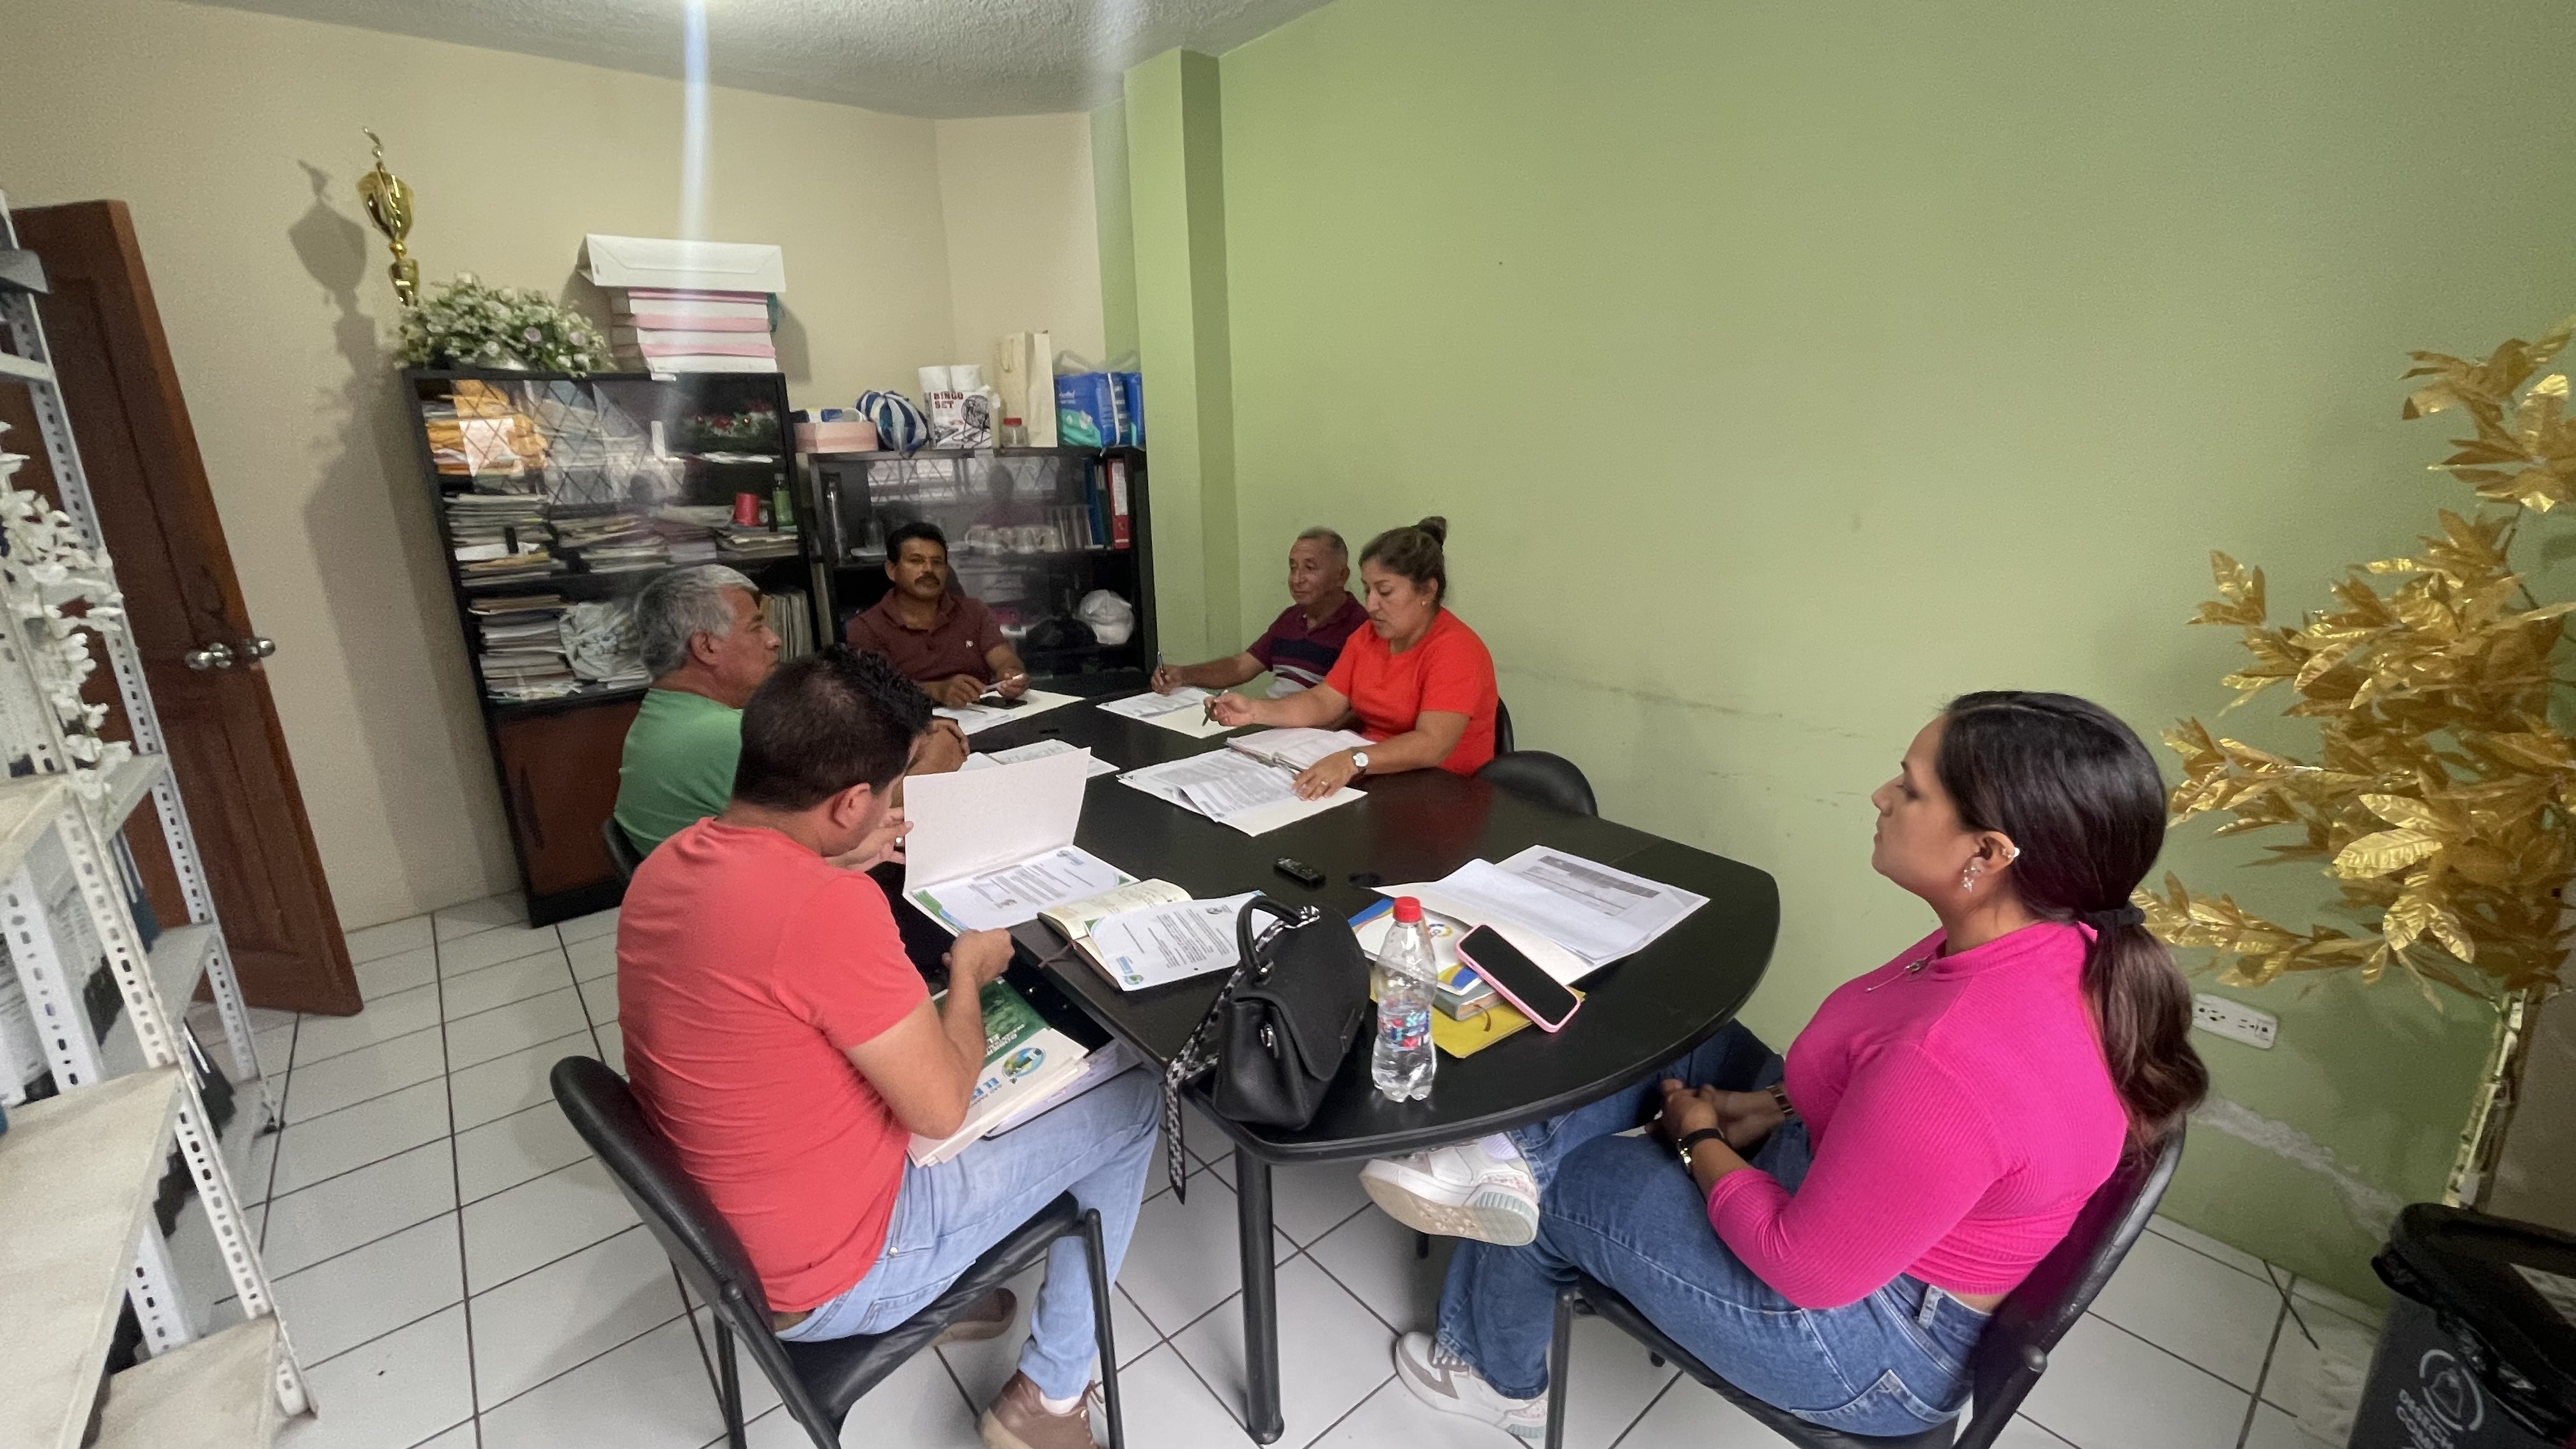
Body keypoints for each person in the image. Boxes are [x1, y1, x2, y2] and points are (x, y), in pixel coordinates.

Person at [1360, 691, 2209, 1443]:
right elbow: (1882, 1094)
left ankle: (1493, 1376)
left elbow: (1804, 1264)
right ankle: (1502, 1159)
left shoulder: (1953, 1058)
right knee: (1676, 1034)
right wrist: (1770, 1103)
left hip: (1867, 1335)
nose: (1882, 796)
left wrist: (1700, 1141)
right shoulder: (2048, 939)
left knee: (1570, 1188)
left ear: (1986, 855)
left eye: (1911, 788)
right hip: (1866, 1194)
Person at [618, 646, 1158, 1449]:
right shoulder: (825, 908)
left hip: (738, 1237)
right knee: (1136, 1095)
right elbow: (939, 1111)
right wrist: (968, 975)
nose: (894, 807)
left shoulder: (668, 862)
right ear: (848, 804)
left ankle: (952, 1290)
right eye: (893, 789)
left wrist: (833, 859)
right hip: (835, 1277)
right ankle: (1048, 1399)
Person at [614, 565, 964, 856]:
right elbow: (850, 820)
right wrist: (934, 765)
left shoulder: (666, 715)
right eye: (756, 627)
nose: (774, 639)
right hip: (756, 904)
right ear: (707, 646)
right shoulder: (721, 734)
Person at [1209, 517, 1498, 796]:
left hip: (1443, 792)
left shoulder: (1456, 649)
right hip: (1378, 777)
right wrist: (1254, 710)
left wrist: (1354, 760)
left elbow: (1433, 744)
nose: (1371, 604)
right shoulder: (1367, 636)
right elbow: (1324, 701)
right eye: (1367, 590)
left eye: (1385, 592)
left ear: (1427, 591)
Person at [1151, 527, 1368, 697]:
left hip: (1310, 731)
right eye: (1293, 567)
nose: (1296, 579)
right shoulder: (1291, 618)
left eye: (1309, 568)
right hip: (1270, 723)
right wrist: (1183, 674)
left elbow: (1353, 708)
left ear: (1341, 576)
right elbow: (1240, 667)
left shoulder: (1361, 627)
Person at [845, 521, 1033, 708]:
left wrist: (1012, 675)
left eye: (937, 562)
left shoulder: (974, 612)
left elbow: (1004, 659)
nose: (928, 569)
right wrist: (938, 691)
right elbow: (875, 692)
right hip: (908, 722)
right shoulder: (867, 627)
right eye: (916, 561)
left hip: (982, 715)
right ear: (892, 570)